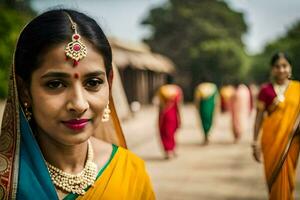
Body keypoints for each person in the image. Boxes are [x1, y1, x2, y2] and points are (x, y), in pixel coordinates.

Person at [0, 9, 155, 200]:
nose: (79, 104)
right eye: (55, 84)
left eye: (93, 83)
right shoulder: (7, 183)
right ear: (25, 90)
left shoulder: (130, 172)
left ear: (110, 83)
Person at [252, 52, 300, 199]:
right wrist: (255, 142)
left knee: (288, 178)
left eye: (284, 66)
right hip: (271, 140)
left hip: (292, 141)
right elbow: (259, 118)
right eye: (277, 66)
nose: (281, 69)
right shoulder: (265, 90)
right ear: (272, 69)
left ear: (290, 68)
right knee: (273, 178)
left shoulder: (298, 88)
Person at [156, 75, 182, 159]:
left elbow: (160, 105)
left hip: (164, 114)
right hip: (173, 114)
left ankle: (168, 151)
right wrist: (180, 116)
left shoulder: (162, 90)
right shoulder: (177, 90)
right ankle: (172, 150)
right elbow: (178, 104)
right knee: (172, 133)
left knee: (164, 132)